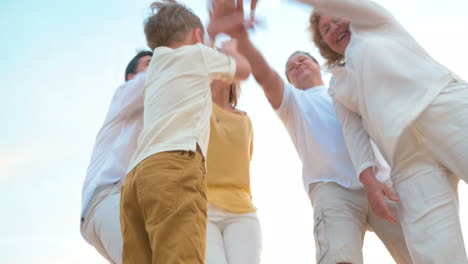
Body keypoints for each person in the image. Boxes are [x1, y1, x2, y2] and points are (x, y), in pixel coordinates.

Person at [208, 2, 413, 263]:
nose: (297, 65)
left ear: (319, 65)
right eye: (291, 67)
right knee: (339, 258)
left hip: (380, 179)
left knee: (418, 251)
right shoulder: (293, 102)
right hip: (331, 189)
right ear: (290, 81)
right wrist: (242, 39)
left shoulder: (345, 88)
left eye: (302, 60)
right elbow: (266, 76)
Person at [298, 0, 468, 262]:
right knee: (433, 249)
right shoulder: (338, 85)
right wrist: (370, 184)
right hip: (406, 158)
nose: (333, 28)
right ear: (324, 44)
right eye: (325, 29)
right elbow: (353, 133)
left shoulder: (376, 23)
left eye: (336, 18)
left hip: (445, 110)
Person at [119, 1, 251, 263]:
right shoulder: (197, 55)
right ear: (196, 37)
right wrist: (230, 46)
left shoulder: (156, 66)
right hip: (174, 168)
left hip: (135, 179)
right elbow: (243, 71)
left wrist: (208, 33)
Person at [80, 50, 152, 264]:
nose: (158, 65)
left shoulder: (153, 114)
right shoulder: (126, 94)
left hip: (122, 205)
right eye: (150, 63)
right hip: (107, 199)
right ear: (132, 77)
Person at [206, 76, 261, 263]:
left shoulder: (246, 121)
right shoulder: (197, 110)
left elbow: (244, 166)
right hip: (202, 209)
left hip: (242, 211)